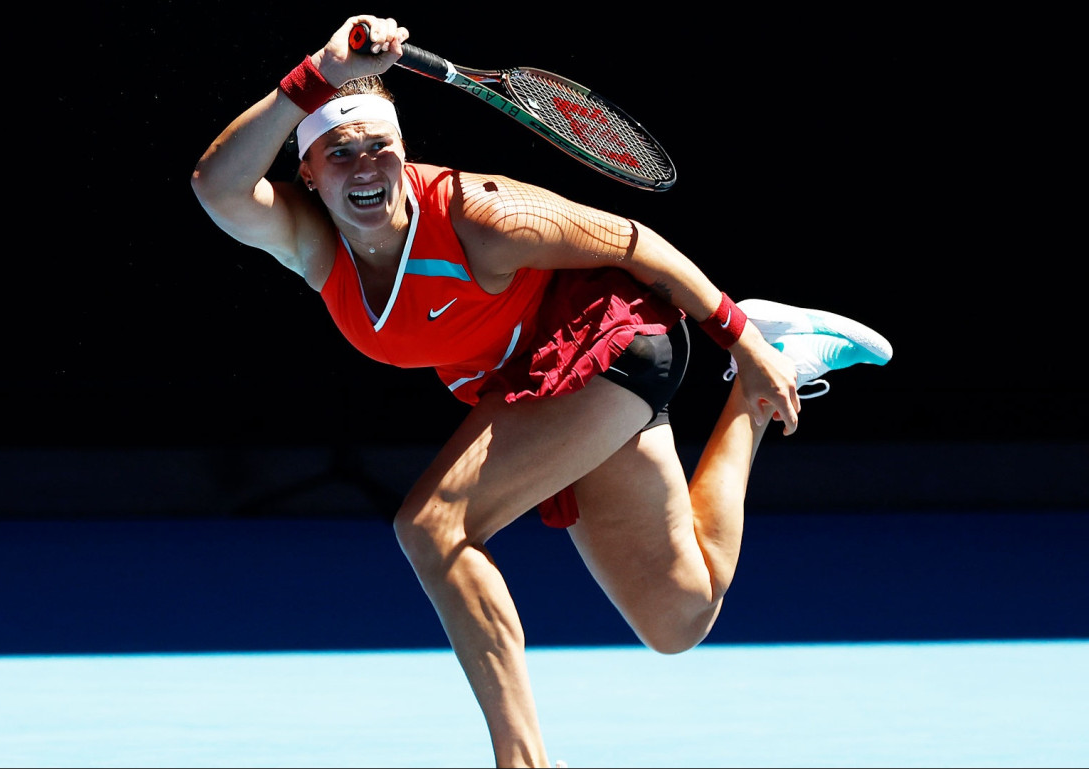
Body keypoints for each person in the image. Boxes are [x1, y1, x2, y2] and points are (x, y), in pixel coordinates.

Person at [191, 14, 892, 767]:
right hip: (529, 388)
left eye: (379, 148)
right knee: (679, 615)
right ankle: (759, 394)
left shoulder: (485, 217)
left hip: (610, 342)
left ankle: (523, 761)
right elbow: (217, 185)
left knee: (433, 526)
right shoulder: (311, 242)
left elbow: (636, 242)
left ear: (405, 152)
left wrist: (735, 337)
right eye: (340, 153)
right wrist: (315, 76)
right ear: (310, 173)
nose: (365, 168)